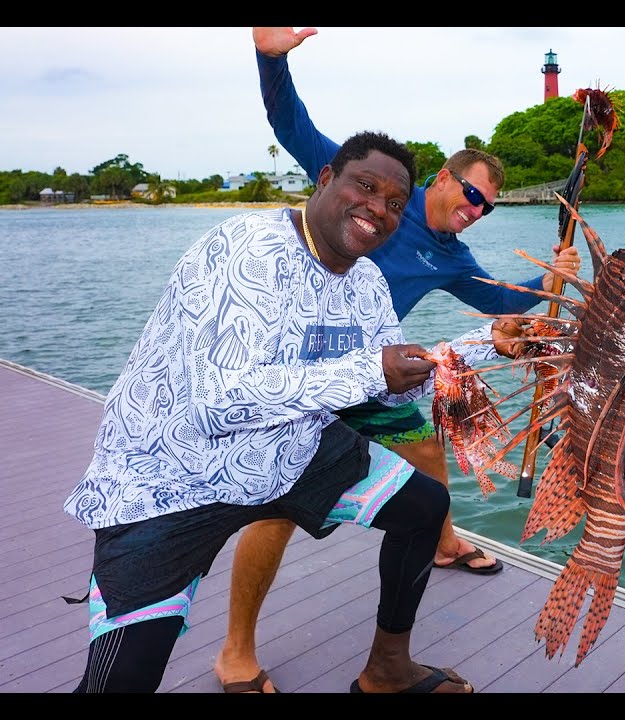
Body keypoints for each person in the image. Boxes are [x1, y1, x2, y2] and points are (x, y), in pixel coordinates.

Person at [63, 131, 530, 693]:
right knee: (121, 680)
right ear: (327, 178)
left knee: (423, 506)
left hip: (291, 450)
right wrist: (371, 370)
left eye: (393, 203)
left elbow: (390, 391)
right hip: (171, 473)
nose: (377, 209)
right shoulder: (246, 250)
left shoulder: (366, 283)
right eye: (365, 186)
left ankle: (387, 670)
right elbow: (221, 399)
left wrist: (482, 345)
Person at [211, 27, 583, 692]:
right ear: (441, 178)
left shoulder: (450, 255)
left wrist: (552, 280)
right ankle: (235, 650)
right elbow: (290, 123)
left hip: (375, 380)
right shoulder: (374, 187)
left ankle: (441, 543)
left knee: (427, 460)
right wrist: (270, 60)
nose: (475, 213)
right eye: (470, 196)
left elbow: (498, 298)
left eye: (487, 209)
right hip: (302, 377)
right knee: (277, 511)